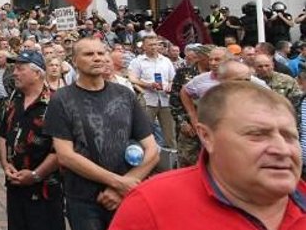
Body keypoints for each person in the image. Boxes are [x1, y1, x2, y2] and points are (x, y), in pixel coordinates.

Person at [109, 81, 306, 230]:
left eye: (290, 137)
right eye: (257, 135)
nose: (282, 149)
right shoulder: (151, 205)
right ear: (206, 137)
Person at [42, 37, 159, 230]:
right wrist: (118, 183)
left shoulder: (125, 95)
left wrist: (123, 187)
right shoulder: (62, 99)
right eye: (89, 54)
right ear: (74, 61)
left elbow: (152, 150)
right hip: (83, 199)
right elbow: (66, 156)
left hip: (126, 196)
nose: (97, 58)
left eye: (101, 53)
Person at [0, 50, 63, 230]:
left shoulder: (57, 103)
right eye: (14, 68)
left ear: (37, 73)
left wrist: (35, 175)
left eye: (20, 69)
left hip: (45, 192)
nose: (15, 73)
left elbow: (61, 150)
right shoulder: (14, 98)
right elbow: (3, 133)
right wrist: (5, 164)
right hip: (15, 185)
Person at [127, 34, 177, 148]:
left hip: (165, 99)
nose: (153, 47)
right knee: (145, 133)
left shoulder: (166, 61)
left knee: (170, 133)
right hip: (147, 100)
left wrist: (170, 85)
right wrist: (148, 85)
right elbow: (132, 79)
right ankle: (146, 157)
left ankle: (173, 159)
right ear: (144, 46)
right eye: (150, 45)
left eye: (155, 44)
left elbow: (172, 79)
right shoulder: (138, 61)